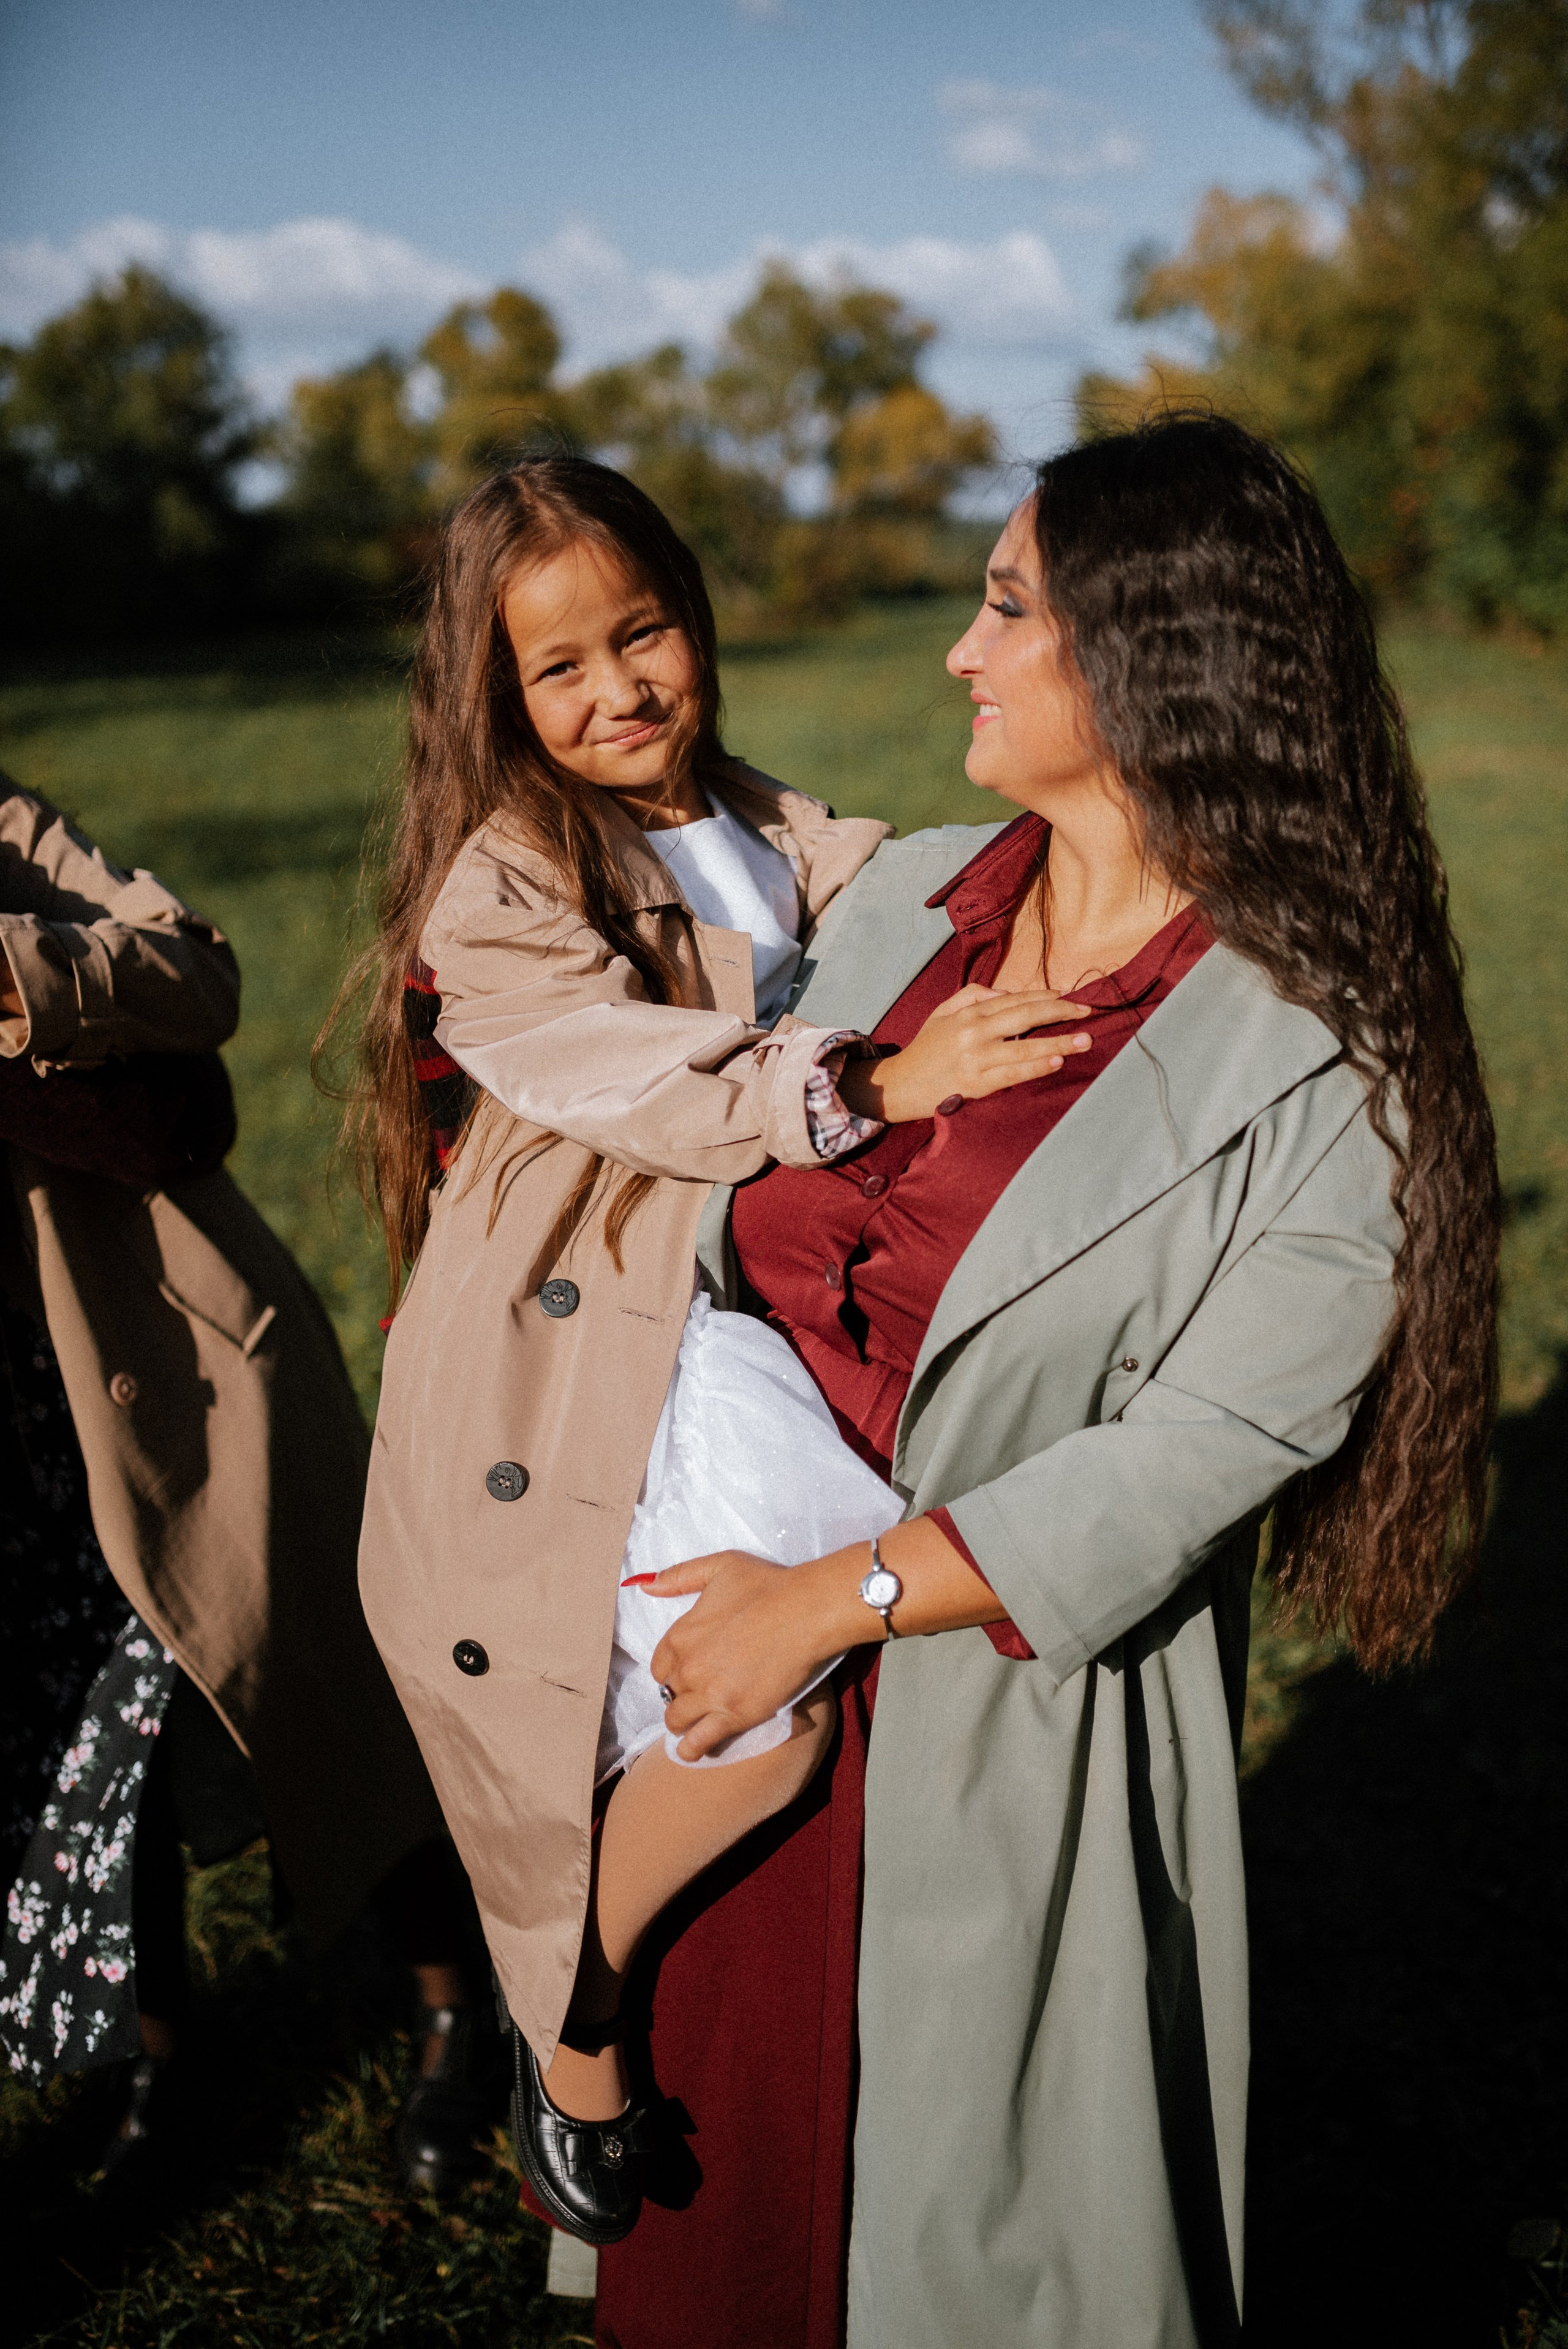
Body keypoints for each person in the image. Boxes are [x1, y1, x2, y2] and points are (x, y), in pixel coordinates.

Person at [600, 413, 1501, 2348]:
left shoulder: (1325, 1054)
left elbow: (1207, 1446)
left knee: (955, 2256)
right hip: (702, 1688)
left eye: (1006, 606)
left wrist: (824, 1606)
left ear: (1151, 657)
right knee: (711, 2233)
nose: (961, 649)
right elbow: (724, 1188)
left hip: (986, 1728)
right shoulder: (901, 894)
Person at [345, 458, 1096, 2257]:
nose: (620, 691)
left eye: (647, 630)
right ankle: (570, 2012)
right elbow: (613, 1064)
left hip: (725, 1294)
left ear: (696, 614)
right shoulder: (510, 879)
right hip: (613, 1344)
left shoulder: (760, 815)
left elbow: (926, 889)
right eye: (560, 670)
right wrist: (862, 1083)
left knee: (806, 1659)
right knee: (756, 1718)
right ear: (496, 702)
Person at [0, 775, 483, 2195]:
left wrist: (14, 965)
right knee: (76, 1747)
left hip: (150, 1348)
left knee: (318, 1678)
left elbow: (195, 973)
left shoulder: (10, 834)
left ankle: (458, 2002)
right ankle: (158, 2068)